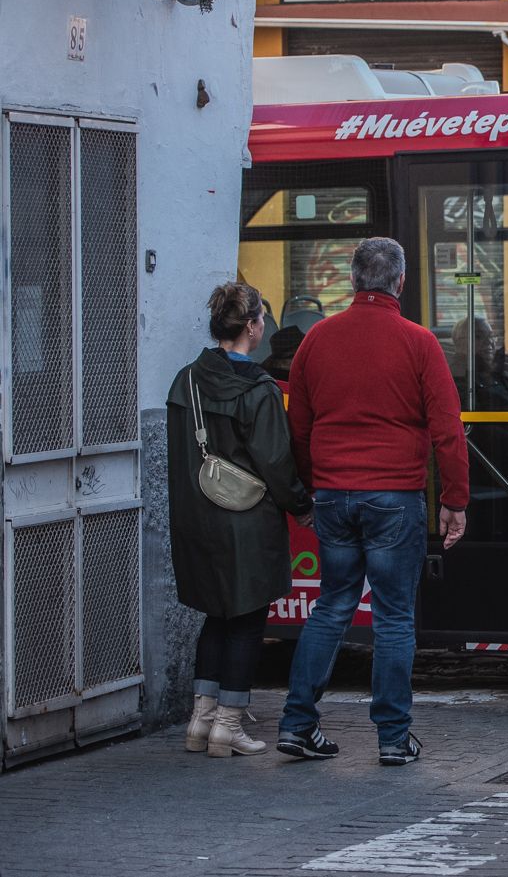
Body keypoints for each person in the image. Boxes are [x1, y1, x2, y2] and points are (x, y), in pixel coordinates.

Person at [277, 237, 469, 766]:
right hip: (394, 497)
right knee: (393, 616)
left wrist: (310, 490)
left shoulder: (317, 340)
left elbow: (299, 428)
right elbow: (447, 429)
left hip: (333, 496)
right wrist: (454, 500)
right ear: (400, 282)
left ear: (353, 279)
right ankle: (392, 737)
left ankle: (297, 723)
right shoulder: (419, 342)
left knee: (332, 606)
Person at [166, 282, 314, 757]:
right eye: (261, 320)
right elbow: (275, 462)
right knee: (248, 621)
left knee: (216, 615)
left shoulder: (186, 380)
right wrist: (301, 505)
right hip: (248, 520)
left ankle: (200, 721)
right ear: (252, 327)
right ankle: (228, 724)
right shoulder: (259, 388)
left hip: (198, 518)